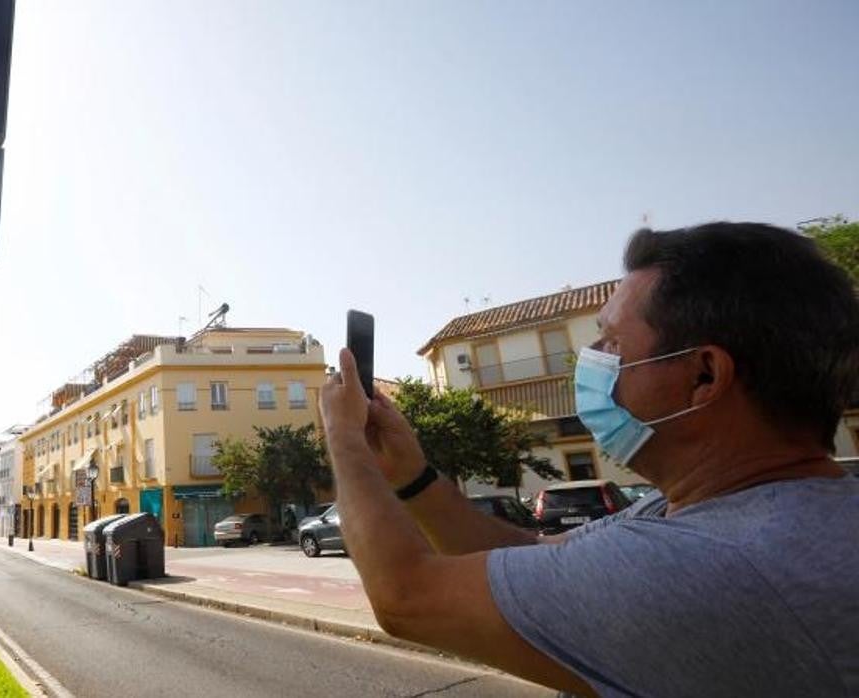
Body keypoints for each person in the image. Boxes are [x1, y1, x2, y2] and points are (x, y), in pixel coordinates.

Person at [320, 222, 859, 697]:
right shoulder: (702, 514)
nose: (593, 361)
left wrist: (344, 442)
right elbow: (529, 553)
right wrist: (411, 476)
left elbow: (406, 597)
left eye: (611, 342)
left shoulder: (714, 563)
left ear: (703, 376)